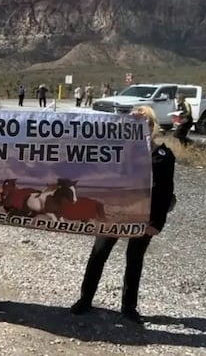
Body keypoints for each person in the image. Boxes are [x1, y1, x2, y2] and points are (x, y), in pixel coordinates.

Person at [70, 105, 176, 324]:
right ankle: (85, 299)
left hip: (144, 216)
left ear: (152, 125)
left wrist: (157, 222)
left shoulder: (163, 156)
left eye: (145, 122)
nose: (140, 126)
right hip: (114, 213)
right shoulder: (116, 150)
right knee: (98, 254)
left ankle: (129, 306)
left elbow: (165, 192)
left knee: (134, 259)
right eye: (134, 122)